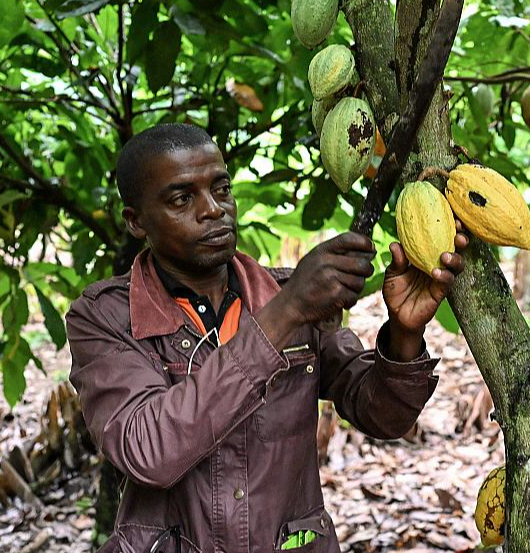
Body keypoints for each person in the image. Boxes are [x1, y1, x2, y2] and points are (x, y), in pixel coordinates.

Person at [66, 123, 467, 553]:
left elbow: (384, 416)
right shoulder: (104, 318)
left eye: (220, 190)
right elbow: (148, 450)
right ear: (136, 221)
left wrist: (405, 333)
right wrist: (286, 312)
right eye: (183, 199)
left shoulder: (284, 295)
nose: (213, 210)